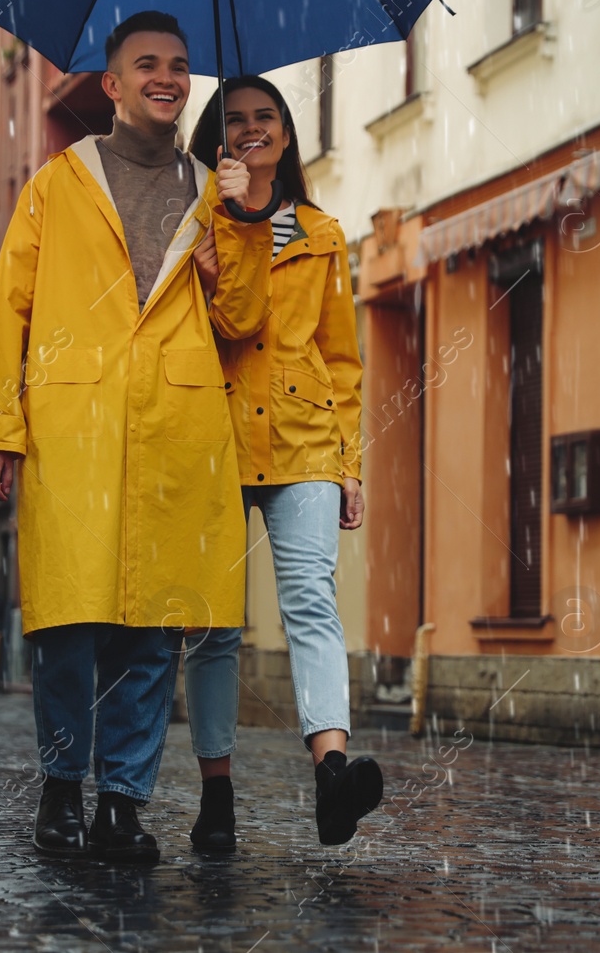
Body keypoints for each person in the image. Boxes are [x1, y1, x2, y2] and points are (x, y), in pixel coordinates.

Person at [0, 11, 273, 864]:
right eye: (147, 65)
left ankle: (122, 806)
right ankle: (63, 790)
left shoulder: (214, 189)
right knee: (66, 621)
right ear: (113, 83)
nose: (166, 77)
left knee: (152, 629)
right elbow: (7, 307)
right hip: (75, 425)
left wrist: (243, 227)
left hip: (176, 427)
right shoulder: (57, 184)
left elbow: (244, 319)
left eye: (178, 65)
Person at [182, 75, 380, 850]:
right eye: (236, 121)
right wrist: (230, 220)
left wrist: (349, 461)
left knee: (311, 603)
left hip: (302, 439)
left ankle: (332, 777)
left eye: (267, 118)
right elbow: (235, 320)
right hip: (216, 434)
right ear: (217, 140)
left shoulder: (323, 233)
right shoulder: (195, 221)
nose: (253, 129)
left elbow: (342, 357)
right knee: (213, 627)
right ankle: (217, 792)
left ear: (288, 138)